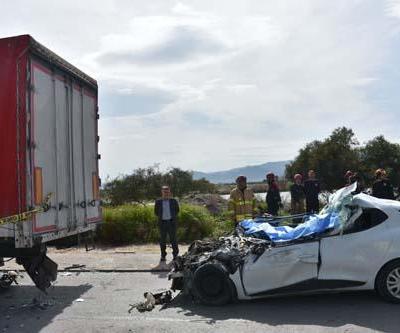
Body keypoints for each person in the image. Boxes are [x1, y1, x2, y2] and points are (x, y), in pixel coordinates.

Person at [154, 186, 180, 262]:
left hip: (172, 223)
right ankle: (163, 256)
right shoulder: (158, 201)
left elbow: (177, 210)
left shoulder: (173, 201)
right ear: (162, 192)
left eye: (167, 192)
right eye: (164, 192)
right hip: (162, 223)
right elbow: (156, 212)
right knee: (162, 241)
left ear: (169, 192)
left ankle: (175, 255)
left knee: (174, 240)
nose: (166, 193)